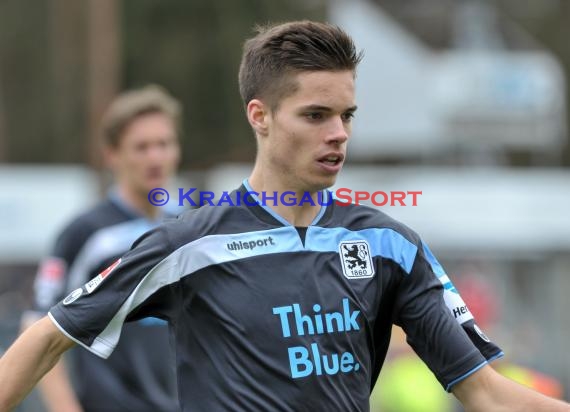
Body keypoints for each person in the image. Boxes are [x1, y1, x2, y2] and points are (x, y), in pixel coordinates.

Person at [1, 20, 569, 412]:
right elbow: (43, 340)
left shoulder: (388, 245)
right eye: (316, 114)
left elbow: (487, 394)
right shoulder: (188, 244)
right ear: (261, 116)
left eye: (347, 114)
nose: (338, 133)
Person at [19, 85, 182, 412]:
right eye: (141, 147)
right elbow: (36, 327)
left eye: (164, 144)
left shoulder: (186, 228)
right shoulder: (84, 234)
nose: (155, 157)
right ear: (112, 155)